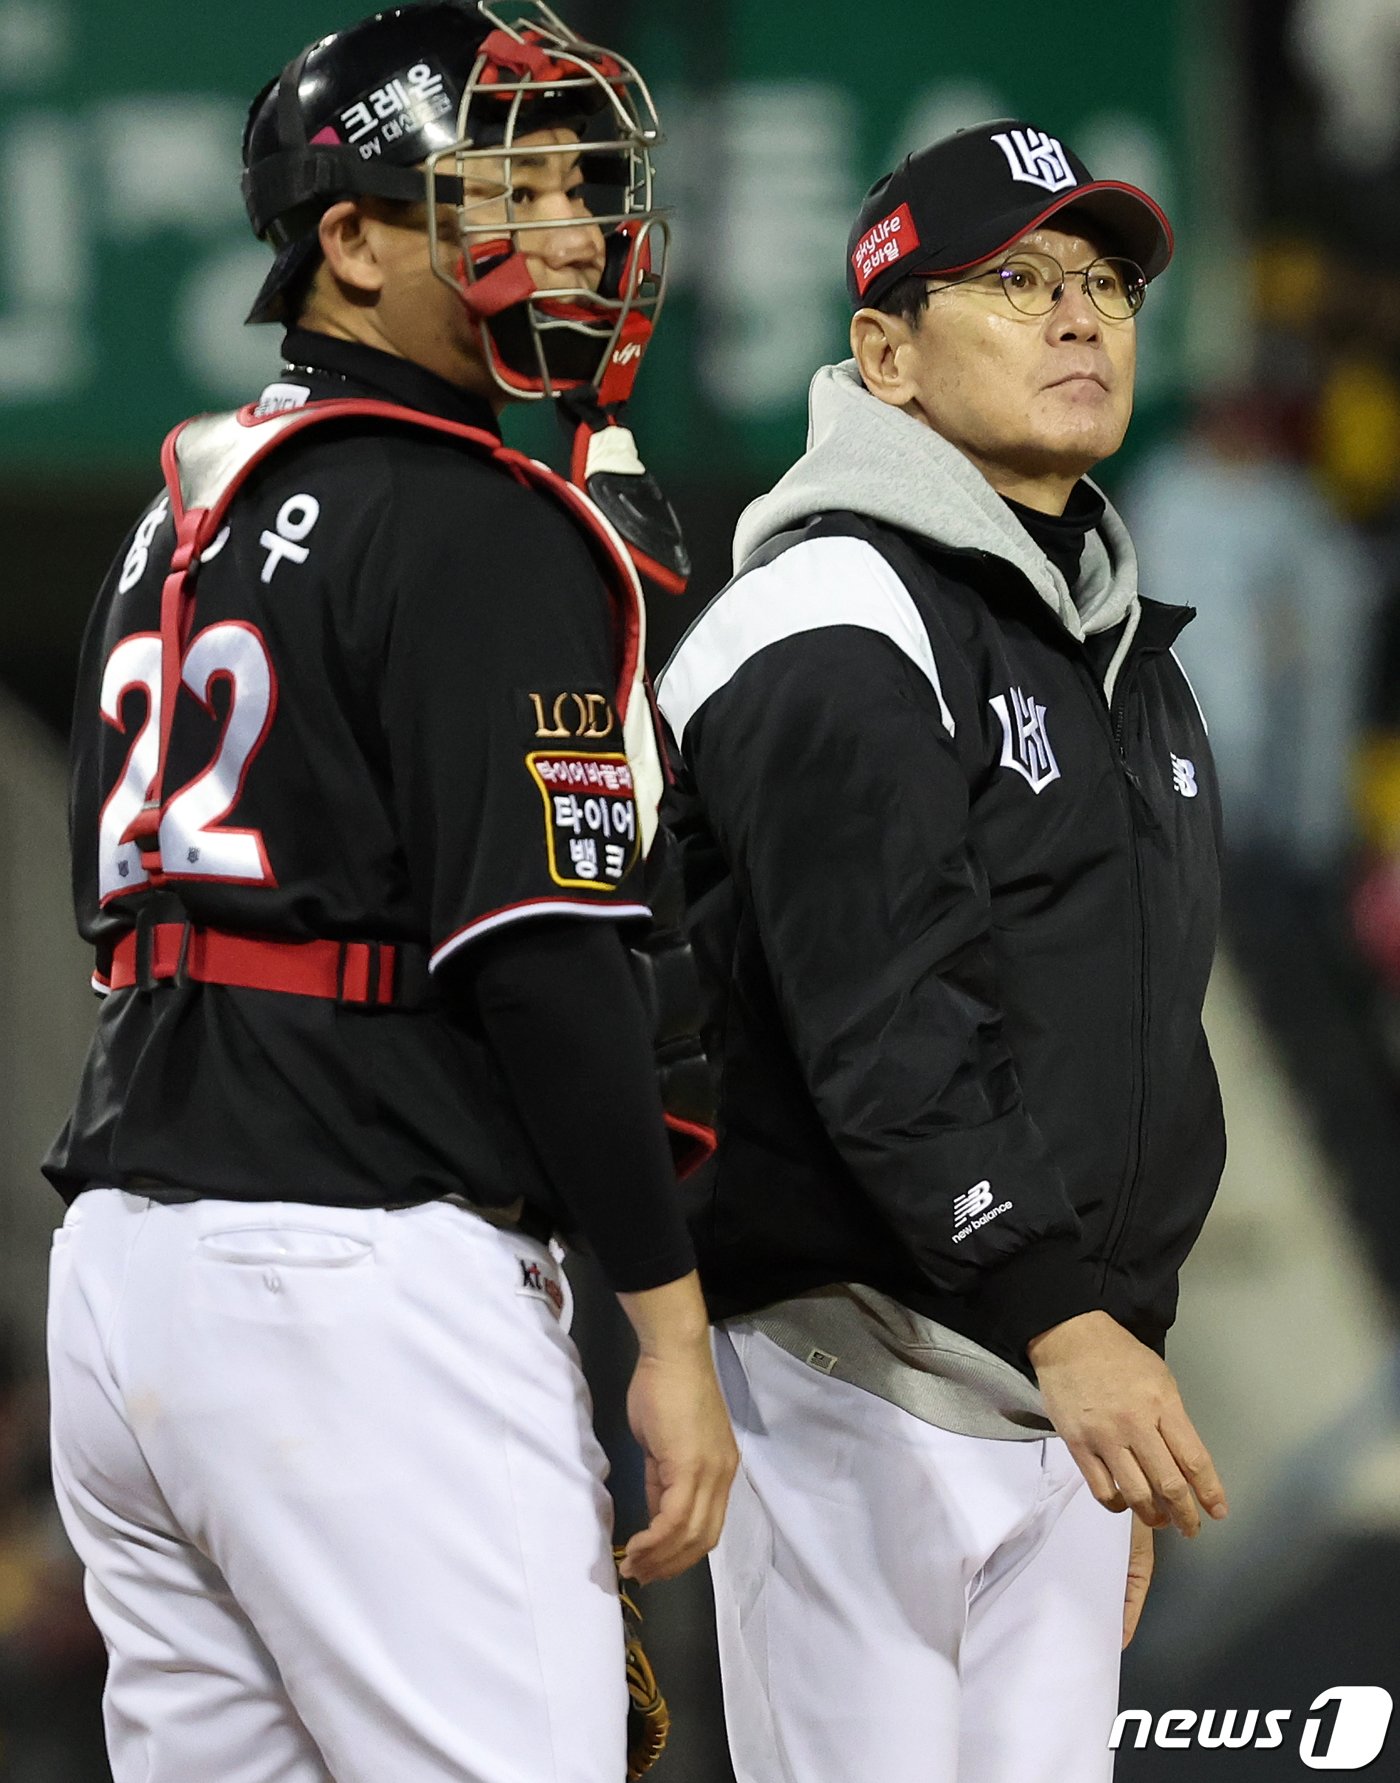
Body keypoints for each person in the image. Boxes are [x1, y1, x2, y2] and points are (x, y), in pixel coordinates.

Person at [43, 6, 735, 1781]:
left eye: (581, 189)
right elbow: (548, 965)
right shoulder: (472, 514)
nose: (573, 231)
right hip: (354, 1277)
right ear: (347, 239)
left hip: (126, 1276)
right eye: (509, 186)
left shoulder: (187, 504)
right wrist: (664, 1328)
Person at [658, 120, 1230, 1783]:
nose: (1082, 318)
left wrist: (1112, 1362)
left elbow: (1131, 1051)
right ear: (885, 354)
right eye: (1019, 281)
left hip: (1049, 1397)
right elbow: (883, 1021)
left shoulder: (1120, 651)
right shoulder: (829, 608)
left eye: (1107, 283)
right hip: (855, 1377)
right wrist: (1068, 1325)